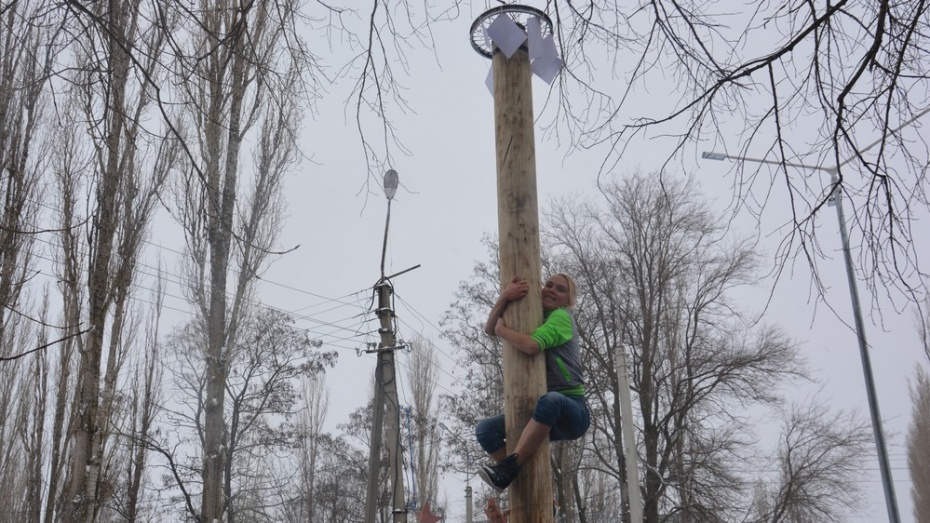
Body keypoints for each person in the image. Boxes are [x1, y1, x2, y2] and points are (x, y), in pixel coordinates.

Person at [475, 273, 590, 492]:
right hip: (543, 412)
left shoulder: (561, 316)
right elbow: (489, 328)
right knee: (486, 429)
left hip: (572, 410)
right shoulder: (533, 316)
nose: (552, 290)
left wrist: (503, 331)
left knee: (552, 399)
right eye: (548, 285)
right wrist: (505, 297)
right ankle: (522, 479)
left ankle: (509, 467)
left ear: (568, 301)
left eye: (561, 289)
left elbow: (531, 346)